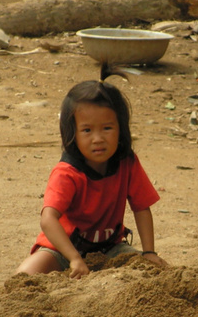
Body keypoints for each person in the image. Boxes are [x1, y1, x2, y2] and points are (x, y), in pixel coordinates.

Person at [15, 65, 167, 278]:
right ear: (72, 133)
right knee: (23, 276)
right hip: (62, 249)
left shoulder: (127, 162)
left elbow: (142, 208)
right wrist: (74, 258)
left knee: (151, 273)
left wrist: (150, 252)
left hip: (110, 249)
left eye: (107, 128)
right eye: (87, 130)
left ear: (121, 129)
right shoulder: (67, 173)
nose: (98, 138)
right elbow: (48, 219)